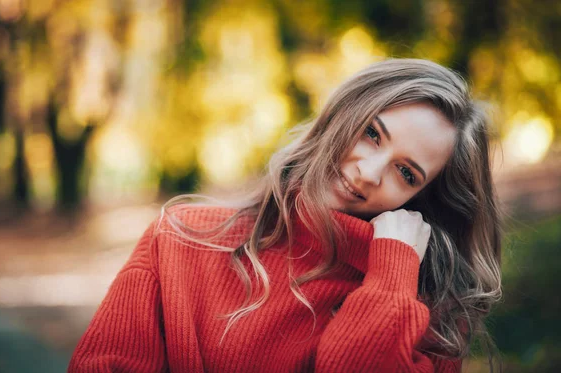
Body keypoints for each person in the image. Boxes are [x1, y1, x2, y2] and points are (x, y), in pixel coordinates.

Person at [68, 58, 502, 372]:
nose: (368, 172)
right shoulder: (181, 239)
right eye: (371, 133)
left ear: (422, 198)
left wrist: (389, 285)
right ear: (340, 114)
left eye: (406, 173)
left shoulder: (430, 311)